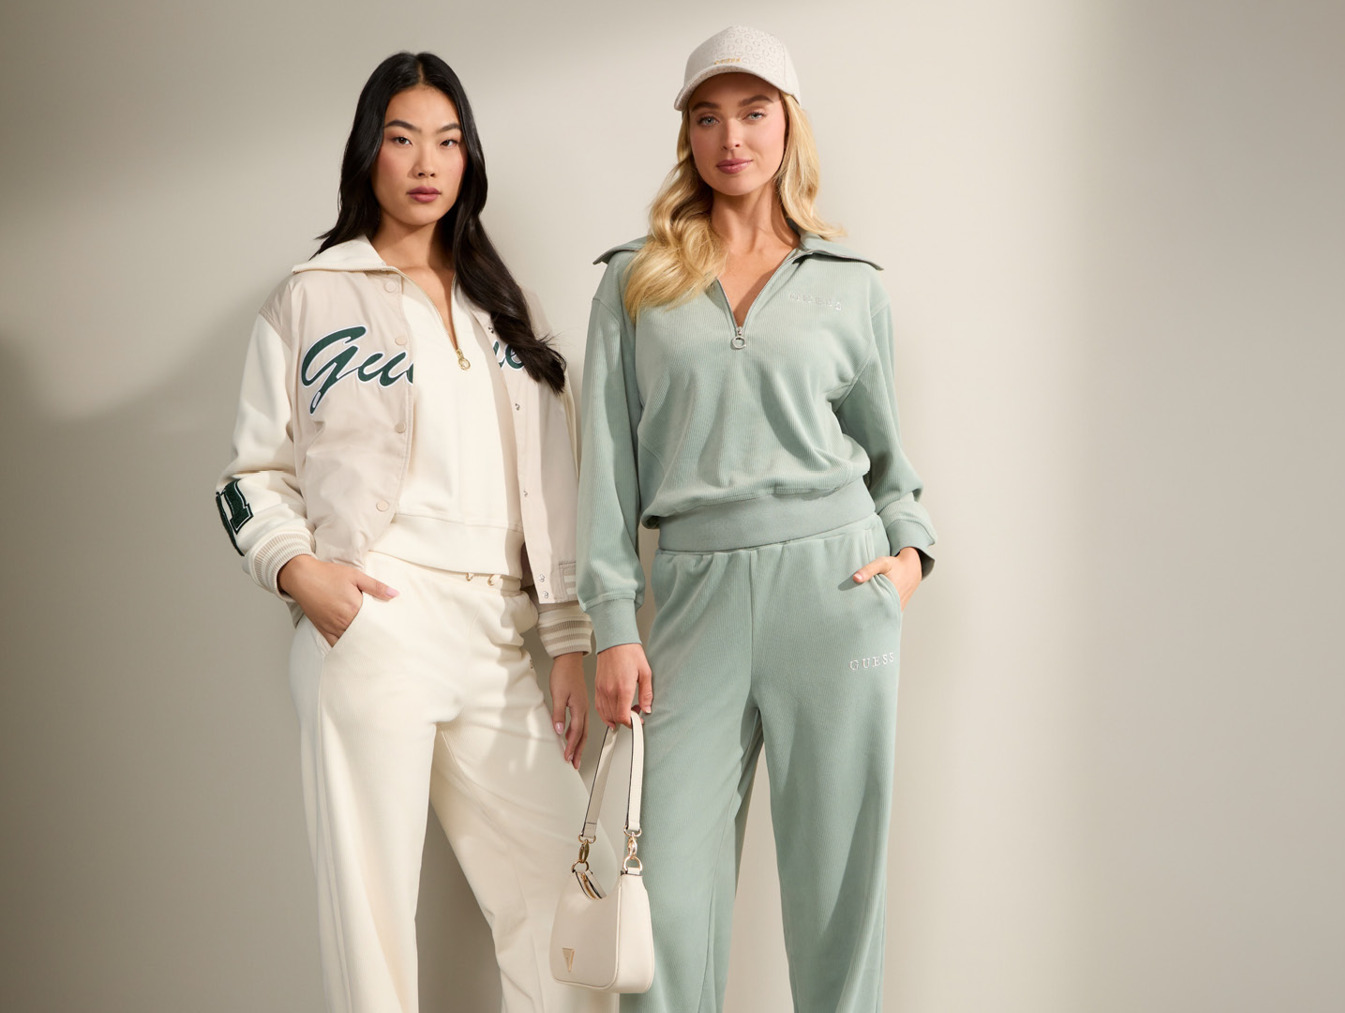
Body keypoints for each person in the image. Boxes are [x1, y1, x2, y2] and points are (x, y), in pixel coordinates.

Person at [214, 52, 603, 1013]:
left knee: (570, 904)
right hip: (376, 613)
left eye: (448, 140)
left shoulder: (507, 309)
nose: (426, 161)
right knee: (373, 918)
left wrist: (564, 636)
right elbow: (246, 476)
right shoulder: (312, 293)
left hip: (499, 628)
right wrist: (301, 573)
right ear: (368, 152)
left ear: (468, 160)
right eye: (401, 138)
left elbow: (557, 478)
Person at [577, 25, 939, 1013]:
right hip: (691, 595)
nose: (731, 135)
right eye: (707, 114)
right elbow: (604, 470)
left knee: (836, 899)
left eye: (754, 111)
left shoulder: (850, 287)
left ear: (789, 125)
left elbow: (891, 463)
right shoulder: (632, 281)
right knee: (669, 916)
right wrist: (613, 622)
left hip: (835, 590)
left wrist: (905, 563)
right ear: (686, 133)